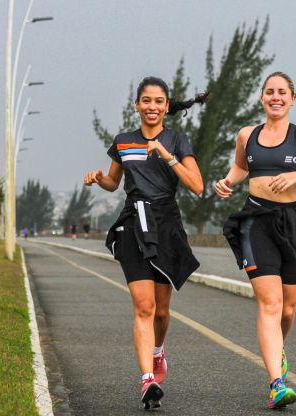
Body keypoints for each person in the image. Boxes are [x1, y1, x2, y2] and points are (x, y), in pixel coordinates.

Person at [215, 72, 296, 409]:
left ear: (292, 98)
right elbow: (241, 168)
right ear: (262, 97)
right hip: (256, 221)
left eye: (282, 93)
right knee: (269, 304)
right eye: (270, 92)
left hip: (295, 221)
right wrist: (227, 181)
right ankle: (276, 383)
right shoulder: (246, 135)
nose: (276, 97)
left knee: (287, 308)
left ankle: (277, 351)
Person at [84, 76, 207, 410]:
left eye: (158, 101)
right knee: (144, 306)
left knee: (162, 311)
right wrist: (99, 179)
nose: (152, 107)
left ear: (167, 107)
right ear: (137, 105)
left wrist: (167, 155)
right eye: (146, 101)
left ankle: (157, 352)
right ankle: (146, 380)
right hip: (133, 224)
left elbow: (197, 186)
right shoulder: (123, 142)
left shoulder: (177, 140)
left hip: (166, 226)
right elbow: (114, 182)